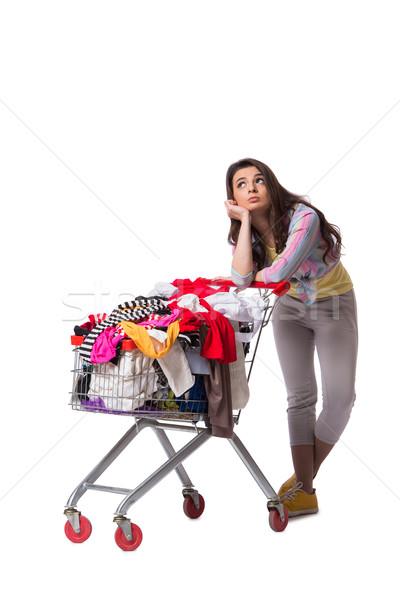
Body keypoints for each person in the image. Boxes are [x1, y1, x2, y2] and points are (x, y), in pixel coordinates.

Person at [224, 157, 358, 517]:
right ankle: (305, 492)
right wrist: (245, 223)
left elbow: (281, 269)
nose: (251, 188)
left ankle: (301, 479)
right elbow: (239, 280)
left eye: (258, 180)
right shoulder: (247, 232)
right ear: (233, 196)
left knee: (341, 400)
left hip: (333, 304)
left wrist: (253, 274)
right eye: (241, 184)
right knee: (300, 398)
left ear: (271, 184)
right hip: (289, 309)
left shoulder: (304, 217)